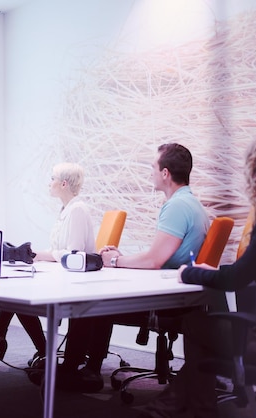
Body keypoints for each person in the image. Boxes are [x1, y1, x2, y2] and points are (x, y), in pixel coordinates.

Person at [135, 133, 256, 418]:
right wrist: (212, 271)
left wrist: (190, 274)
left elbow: (234, 280)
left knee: (195, 322)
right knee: (203, 325)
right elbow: (246, 271)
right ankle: (188, 403)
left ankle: (191, 405)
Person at [56, 143, 210, 393]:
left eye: (153, 167)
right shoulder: (189, 203)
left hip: (168, 300)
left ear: (165, 173)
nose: (150, 172)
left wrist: (115, 260)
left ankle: (82, 371)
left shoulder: (177, 206)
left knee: (94, 302)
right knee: (100, 298)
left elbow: (154, 261)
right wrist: (122, 257)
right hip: (176, 290)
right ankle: (82, 369)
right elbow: (157, 257)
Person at [0, 162, 96, 364]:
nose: (49, 183)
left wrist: (41, 255)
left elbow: (75, 254)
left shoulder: (77, 210)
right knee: (16, 292)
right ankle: (8, 338)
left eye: (52, 179)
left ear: (63, 184)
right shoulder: (67, 210)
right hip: (63, 276)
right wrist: (32, 255)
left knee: (21, 295)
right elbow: (58, 251)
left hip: (74, 283)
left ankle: (7, 338)